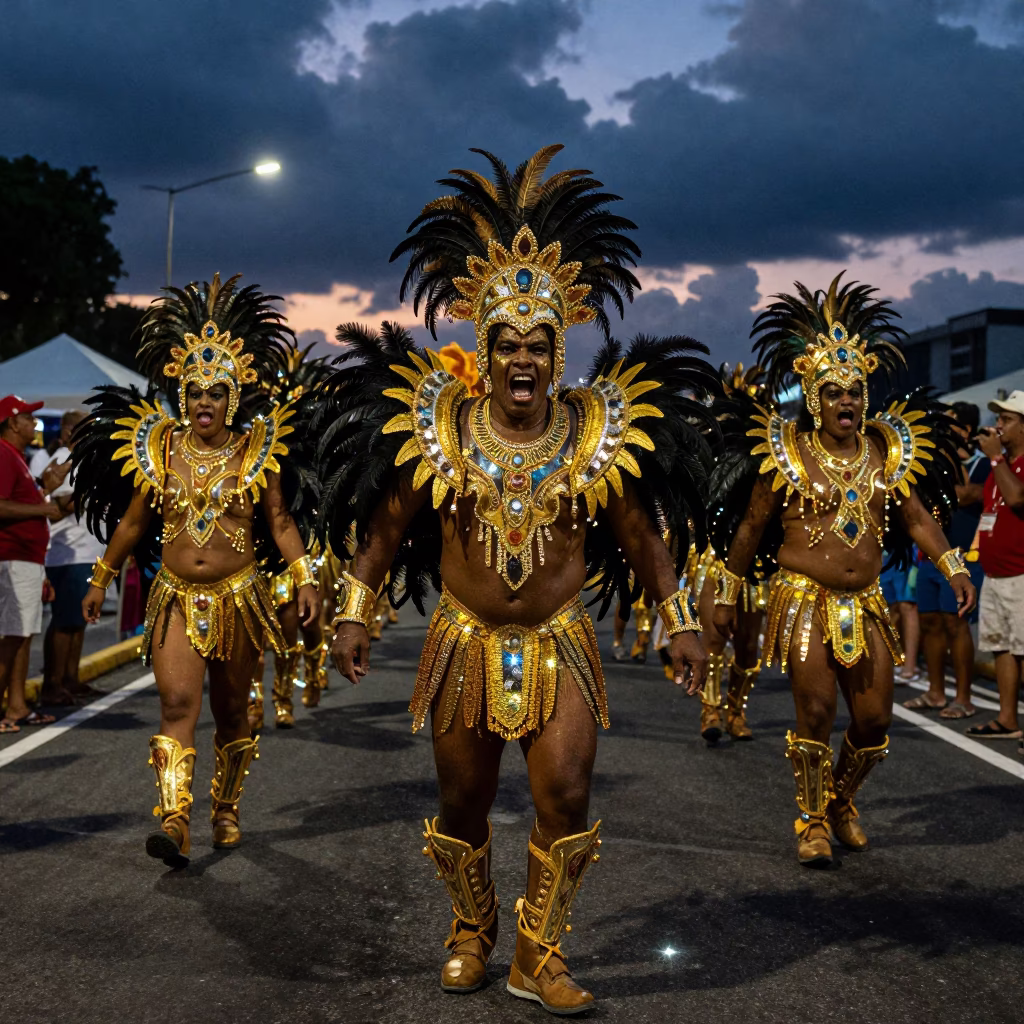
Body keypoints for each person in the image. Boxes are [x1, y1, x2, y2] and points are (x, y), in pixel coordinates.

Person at [317, 146, 715, 1014]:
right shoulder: (435, 427)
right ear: (485, 348)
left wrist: (677, 615)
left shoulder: (594, 430)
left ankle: (541, 951)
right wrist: (355, 611)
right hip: (463, 639)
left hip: (560, 641)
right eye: (509, 344)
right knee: (462, 801)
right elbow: (386, 532)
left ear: (558, 349)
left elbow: (641, 535)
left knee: (565, 792)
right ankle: (471, 931)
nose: (524, 358)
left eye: (540, 344)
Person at [710, 275, 975, 867]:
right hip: (804, 597)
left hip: (868, 600)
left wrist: (952, 564)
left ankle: (840, 799)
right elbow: (752, 528)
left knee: (876, 720)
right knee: (816, 712)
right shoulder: (786, 454)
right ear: (812, 396)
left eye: (854, 391)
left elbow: (916, 518)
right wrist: (725, 592)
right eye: (833, 393)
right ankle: (811, 821)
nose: (846, 402)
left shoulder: (885, 453)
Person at [74, 273, 320, 866]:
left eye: (216, 391)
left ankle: (226, 807)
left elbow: (281, 522)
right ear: (182, 396)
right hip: (176, 596)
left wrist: (308, 576)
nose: (205, 401)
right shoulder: (159, 448)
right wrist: (101, 578)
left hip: (239, 596)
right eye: (195, 391)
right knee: (178, 705)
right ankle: (175, 817)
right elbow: (133, 525)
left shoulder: (256, 449)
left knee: (233, 711)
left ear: (232, 398)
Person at [907, 402, 988, 718]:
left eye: (949, 423)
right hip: (930, 558)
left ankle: (964, 698)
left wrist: (947, 475)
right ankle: (936, 692)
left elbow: (968, 496)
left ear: (966, 431)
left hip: (964, 558)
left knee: (956, 626)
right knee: (930, 623)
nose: (941, 428)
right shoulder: (932, 464)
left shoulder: (983, 463)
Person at [0, 395, 65, 732]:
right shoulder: (4, 454)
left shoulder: (16, 458)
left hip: (25, 559)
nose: (35, 424)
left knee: (21, 634)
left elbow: (17, 499)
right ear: (13, 423)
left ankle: (17, 706)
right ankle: (8, 708)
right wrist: (44, 509)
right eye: (29, 418)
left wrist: (43, 487)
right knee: (13, 634)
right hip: (13, 558)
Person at [35, 410, 107, 706]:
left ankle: (70, 678)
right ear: (68, 432)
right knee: (65, 622)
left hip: (86, 549)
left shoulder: (84, 458)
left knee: (77, 621)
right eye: (86, 429)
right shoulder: (65, 458)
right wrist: (95, 488)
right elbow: (61, 503)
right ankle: (53, 683)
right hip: (69, 552)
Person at [965, 390, 1024, 746]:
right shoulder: (998, 465)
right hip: (996, 572)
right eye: (998, 418)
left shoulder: (1006, 463)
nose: (997, 425)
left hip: (1020, 572)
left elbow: (1017, 499)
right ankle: (1006, 718)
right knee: (1001, 647)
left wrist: (997, 459)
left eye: (1006, 419)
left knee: (1023, 649)